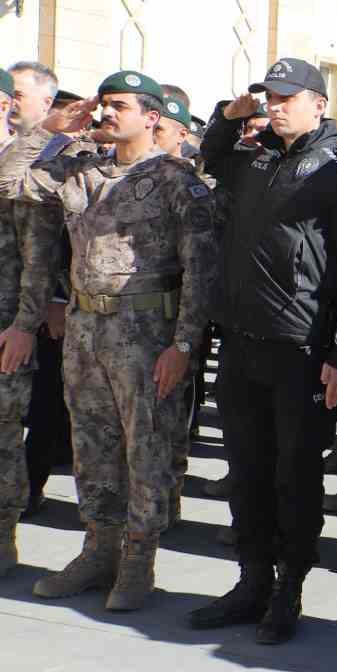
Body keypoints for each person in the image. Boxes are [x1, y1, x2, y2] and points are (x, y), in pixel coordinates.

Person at [1, 72, 220, 610]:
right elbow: (12, 187)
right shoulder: (79, 169)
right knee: (92, 445)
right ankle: (99, 549)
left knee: (146, 447)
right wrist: (48, 133)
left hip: (147, 332)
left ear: (152, 117)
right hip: (84, 329)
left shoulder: (176, 180)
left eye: (119, 106)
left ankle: (139, 560)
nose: (105, 114)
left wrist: (185, 346)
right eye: (103, 105)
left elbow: (201, 273)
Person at [186, 58, 337, 644]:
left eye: (288, 96)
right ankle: (251, 580)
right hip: (242, 340)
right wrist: (227, 116)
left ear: (319, 103)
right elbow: (210, 159)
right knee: (244, 471)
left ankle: (288, 589)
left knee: (294, 474)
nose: (275, 104)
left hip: (302, 348)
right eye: (270, 95)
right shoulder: (253, 154)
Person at [0, 70, 64, 575]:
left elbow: (37, 256)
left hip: (5, 324)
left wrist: (25, 324)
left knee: (3, 436)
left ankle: (3, 538)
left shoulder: (22, 165)